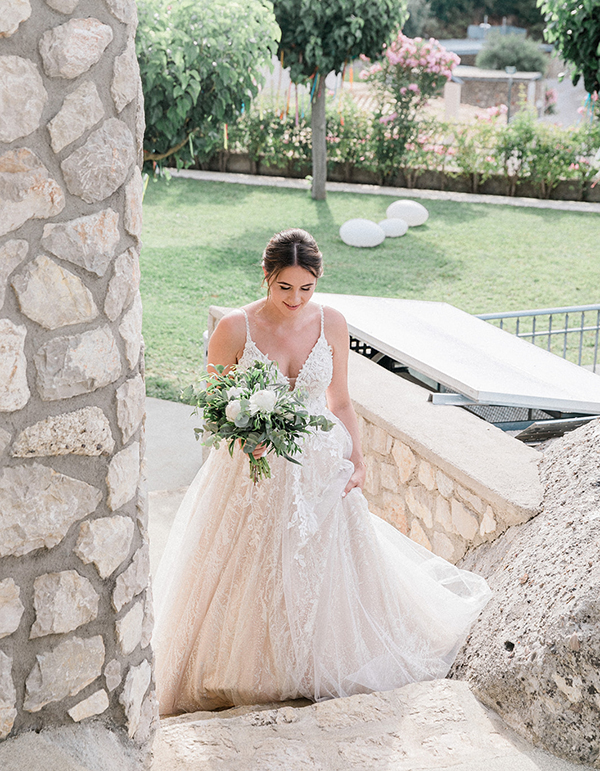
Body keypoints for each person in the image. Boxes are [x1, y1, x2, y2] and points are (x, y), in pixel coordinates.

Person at [153, 228, 491, 715]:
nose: (295, 299)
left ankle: (316, 660)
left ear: (318, 281)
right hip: (253, 473)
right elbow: (215, 408)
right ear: (266, 276)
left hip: (321, 467)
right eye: (284, 287)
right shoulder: (233, 329)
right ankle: (250, 669)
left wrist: (358, 459)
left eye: (305, 288)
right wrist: (249, 442)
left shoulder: (332, 322)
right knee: (253, 572)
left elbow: (341, 401)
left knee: (328, 572)